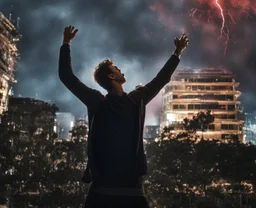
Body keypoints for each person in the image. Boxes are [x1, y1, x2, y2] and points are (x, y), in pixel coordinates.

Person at [59, 25, 189, 208]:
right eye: (117, 68)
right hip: (124, 193)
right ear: (112, 76)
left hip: (106, 193)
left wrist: (66, 43)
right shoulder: (128, 101)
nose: (122, 71)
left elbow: (66, 76)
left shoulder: (106, 102)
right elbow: (160, 80)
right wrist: (177, 52)